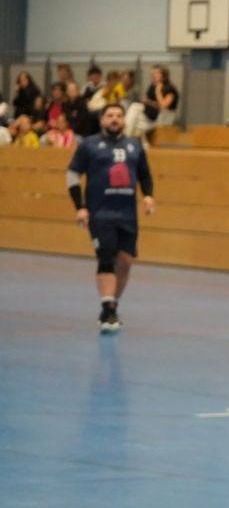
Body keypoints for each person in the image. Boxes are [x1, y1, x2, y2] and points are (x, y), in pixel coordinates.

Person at [66, 104, 156, 332]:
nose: (114, 119)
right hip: (100, 213)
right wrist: (80, 207)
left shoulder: (134, 145)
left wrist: (148, 196)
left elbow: (145, 174)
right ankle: (107, 310)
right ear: (102, 120)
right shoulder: (89, 145)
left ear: (124, 120)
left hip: (127, 215)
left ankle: (112, 305)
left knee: (125, 261)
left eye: (118, 115)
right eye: (109, 115)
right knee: (106, 256)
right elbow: (73, 174)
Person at [124, 65, 179, 140]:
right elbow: (147, 100)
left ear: (163, 75)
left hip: (163, 118)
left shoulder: (169, 88)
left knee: (135, 110)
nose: (153, 75)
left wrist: (158, 91)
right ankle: (126, 138)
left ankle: (127, 139)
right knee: (135, 107)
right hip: (149, 115)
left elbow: (163, 106)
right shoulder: (152, 86)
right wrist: (147, 101)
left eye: (156, 73)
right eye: (152, 73)